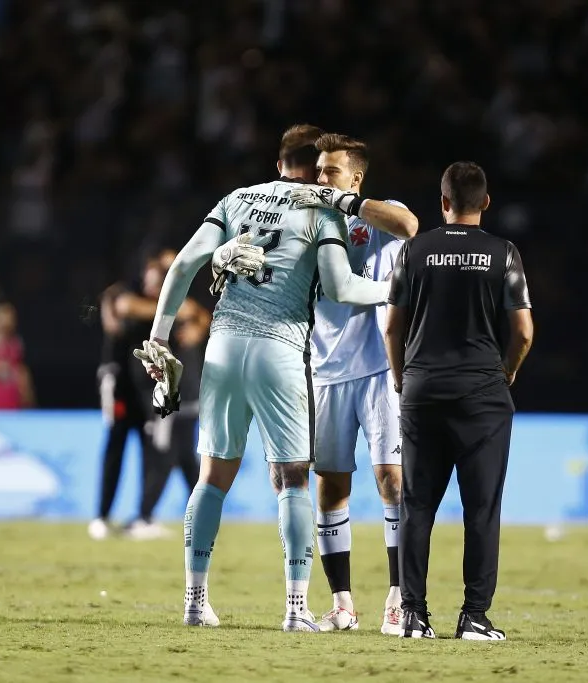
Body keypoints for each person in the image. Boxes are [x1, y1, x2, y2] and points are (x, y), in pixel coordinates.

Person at [138, 124, 390, 631]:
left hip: (224, 345)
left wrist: (160, 338)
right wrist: (393, 288)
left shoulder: (236, 199)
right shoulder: (322, 210)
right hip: (279, 349)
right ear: (316, 169)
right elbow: (340, 288)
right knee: (294, 478)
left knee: (212, 477)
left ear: (278, 164)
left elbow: (186, 261)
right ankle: (296, 610)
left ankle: (194, 601)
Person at [384, 161, 533, 641]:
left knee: (418, 505)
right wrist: (505, 372)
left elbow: (392, 325)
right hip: (483, 393)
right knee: (482, 509)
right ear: (486, 203)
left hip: (423, 389)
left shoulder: (413, 250)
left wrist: (401, 377)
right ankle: (473, 616)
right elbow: (525, 332)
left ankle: (412, 614)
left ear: (442, 202)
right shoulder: (503, 254)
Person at [280, 134, 418, 634]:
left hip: (381, 371)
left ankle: (399, 598)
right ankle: (342, 605)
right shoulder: (311, 221)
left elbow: (410, 226)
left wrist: (347, 203)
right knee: (331, 486)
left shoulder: (378, 215)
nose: (320, 179)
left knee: (392, 481)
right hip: (324, 371)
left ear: (355, 178)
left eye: (330, 171)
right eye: (318, 171)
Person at [91, 257, 176, 541]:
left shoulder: (153, 306)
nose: (153, 283)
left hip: (144, 388)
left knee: (150, 450)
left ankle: (143, 515)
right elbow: (121, 305)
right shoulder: (128, 296)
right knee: (115, 445)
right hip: (119, 383)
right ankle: (101, 516)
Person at [139, 297, 209, 525]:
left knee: (188, 461)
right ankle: (145, 516)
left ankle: (201, 514)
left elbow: (200, 314)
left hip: (189, 400)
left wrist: (198, 324)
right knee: (163, 459)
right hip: (168, 402)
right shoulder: (160, 318)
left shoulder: (189, 319)